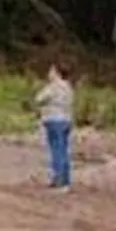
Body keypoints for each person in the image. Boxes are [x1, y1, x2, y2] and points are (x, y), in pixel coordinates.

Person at [35, 63, 74, 192]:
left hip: (54, 120)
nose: (49, 73)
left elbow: (39, 98)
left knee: (56, 150)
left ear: (57, 73)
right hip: (66, 120)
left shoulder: (53, 87)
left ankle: (58, 179)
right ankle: (66, 180)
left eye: (51, 71)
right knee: (64, 150)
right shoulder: (68, 87)